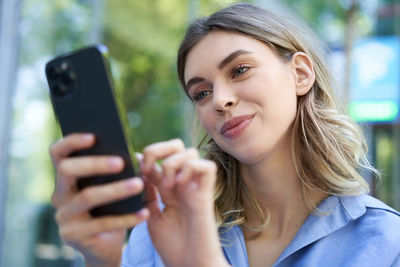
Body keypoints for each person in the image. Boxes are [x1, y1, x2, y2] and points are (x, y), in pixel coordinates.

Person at [50, 3, 400, 267]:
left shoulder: (386, 243)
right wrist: (104, 260)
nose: (220, 100)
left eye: (240, 70)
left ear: (301, 73)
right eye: (200, 93)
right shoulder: (160, 229)